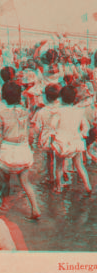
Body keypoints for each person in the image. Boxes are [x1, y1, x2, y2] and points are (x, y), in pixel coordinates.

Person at [0, 81, 40, 219]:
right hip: (23, 153)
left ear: (3, 96)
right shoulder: (24, 111)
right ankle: (35, 208)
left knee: (4, 182)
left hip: (6, 155)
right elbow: (29, 134)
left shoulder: (1, 111)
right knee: (26, 183)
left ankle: (3, 209)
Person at [50, 85, 92, 193]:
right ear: (74, 98)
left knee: (59, 166)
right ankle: (88, 186)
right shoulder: (79, 111)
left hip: (61, 142)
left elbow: (52, 126)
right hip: (76, 141)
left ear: (61, 98)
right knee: (80, 166)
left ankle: (58, 187)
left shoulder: (58, 111)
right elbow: (86, 126)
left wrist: (52, 140)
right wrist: (82, 135)